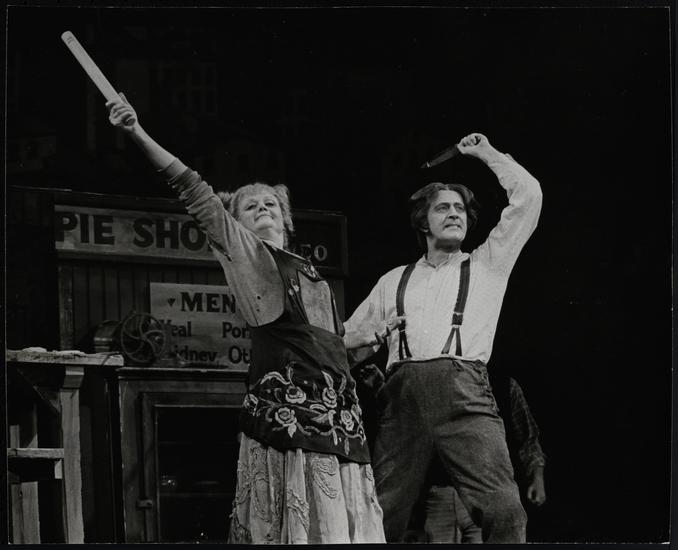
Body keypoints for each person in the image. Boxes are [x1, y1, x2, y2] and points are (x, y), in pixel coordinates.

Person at [107, 94, 389, 544]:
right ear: (234, 226)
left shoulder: (311, 274)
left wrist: (362, 341)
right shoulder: (251, 256)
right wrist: (137, 132)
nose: (263, 208)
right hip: (293, 433)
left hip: (341, 431)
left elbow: (323, 349)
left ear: (287, 219)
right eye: (250, 206)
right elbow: (193, 189)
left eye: (271, 204)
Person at [344, 132, 542, 543]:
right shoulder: (393, 281)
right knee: (379, 512)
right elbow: (348, 340)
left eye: (460, 209)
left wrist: (486, 153)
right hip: (402, 403)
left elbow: (529, 197)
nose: (454, 214)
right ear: (423, 221)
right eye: (442, 207)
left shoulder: (487, 265)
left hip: (465, 397)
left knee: (504, 510)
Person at [421, 375, 547, 543]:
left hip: (487, 492)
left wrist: (537, 477)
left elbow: (528, 436)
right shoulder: (440, 380)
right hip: (442, 493)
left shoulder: (504, 385)